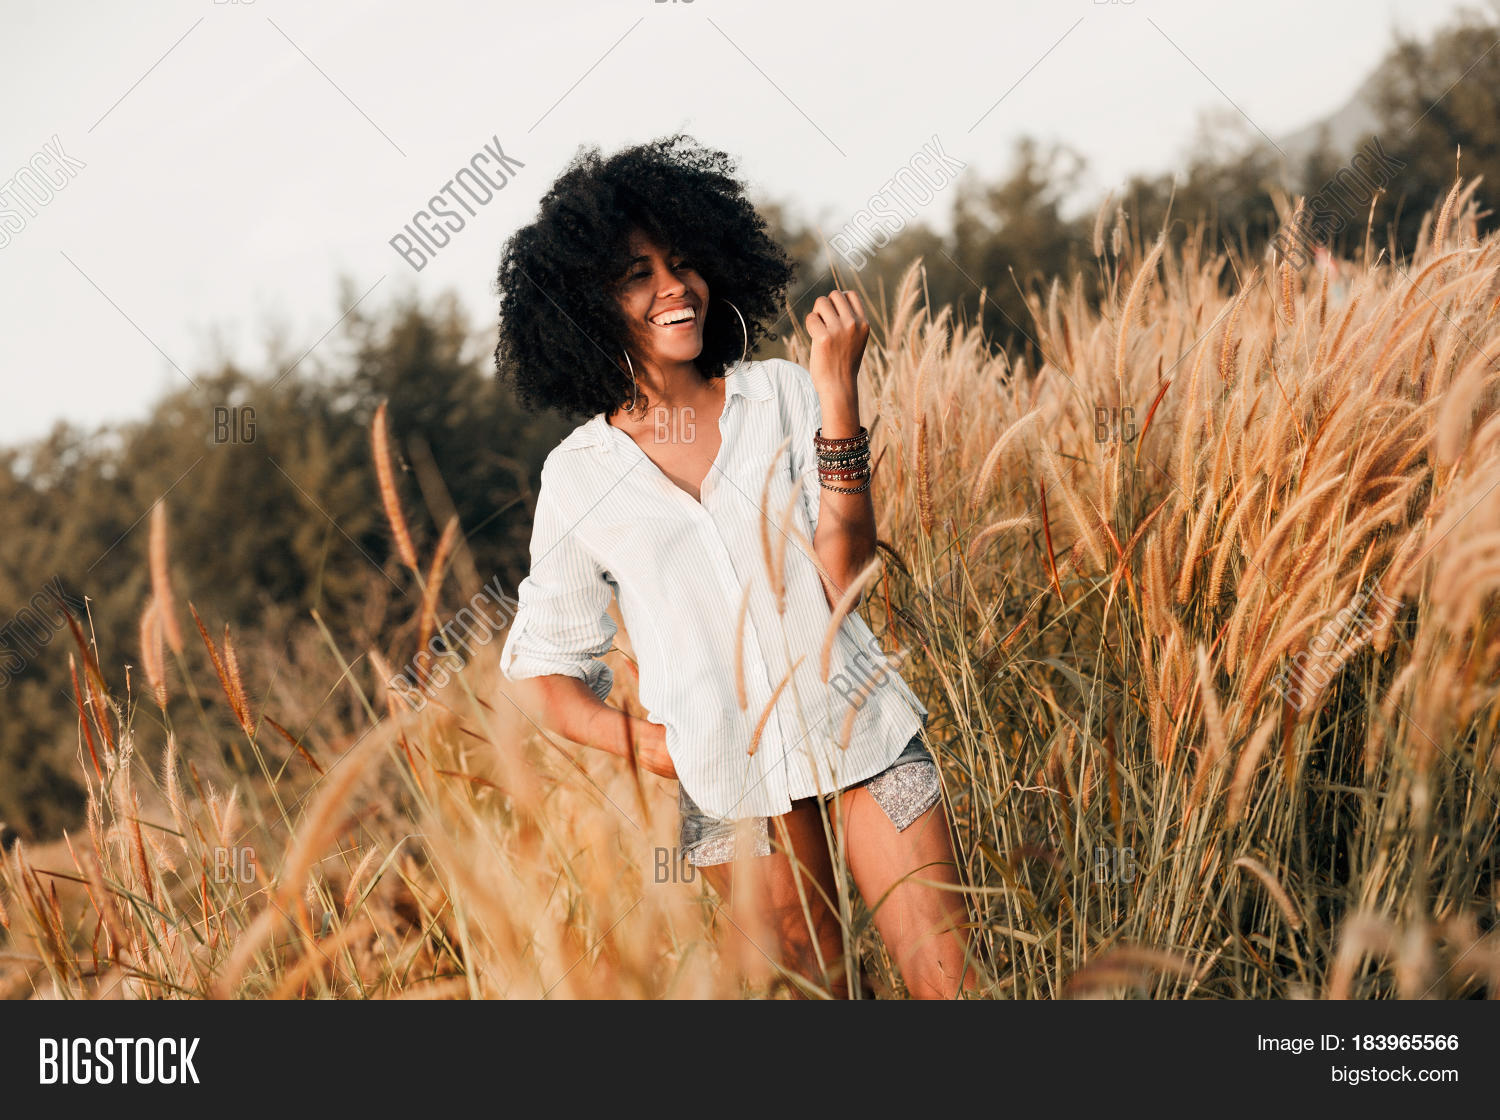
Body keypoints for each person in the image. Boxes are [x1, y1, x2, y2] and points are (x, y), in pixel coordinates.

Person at [493, 135, 974, 998]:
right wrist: (652, 748)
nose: (673, 287)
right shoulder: (578, 477)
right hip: (726, 784)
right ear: (585, 302)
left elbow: (842, 578)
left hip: (863, 736)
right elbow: (542, 671)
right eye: (637, 274)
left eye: (682, 262)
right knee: (819, 1002)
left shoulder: (784, 393)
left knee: (952, 989)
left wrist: (837, 399)